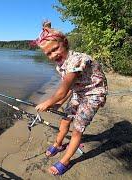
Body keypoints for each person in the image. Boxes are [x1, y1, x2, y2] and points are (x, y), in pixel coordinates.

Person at [33, 21, 108, 175]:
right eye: (48, 53)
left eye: (55, 49)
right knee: (65, 120)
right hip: (79, 92)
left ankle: (65, 161)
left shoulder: (76, 60)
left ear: (65, 43)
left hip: (94, 93)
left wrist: (47, 102)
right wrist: (57, 104)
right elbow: (69, 88)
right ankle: (58, 144)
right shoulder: (60, 65)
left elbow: (61, 91)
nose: (53, 55)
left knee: (77, 130)